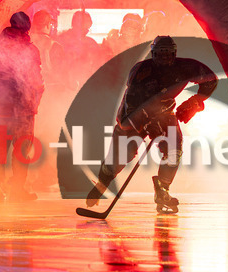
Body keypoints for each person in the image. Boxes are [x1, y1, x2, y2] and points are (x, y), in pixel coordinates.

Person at [85, 36, 218, 213]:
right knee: (121, 156)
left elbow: (211, 80)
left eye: (168, 54)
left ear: (174, 53)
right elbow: (129, 110)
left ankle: (163, 189)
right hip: (133, 115)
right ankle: (103, 182)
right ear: (153, 54)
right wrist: (146, 121)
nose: (164, 58)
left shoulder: (186, 67)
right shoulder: (141, 71)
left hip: (163, 113)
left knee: (174, 150)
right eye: (160, 54)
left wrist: (195, 102)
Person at [0, 11, 45, 201]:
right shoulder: (30, 50)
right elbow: (36, 80)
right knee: (21, 150)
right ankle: (17, 190)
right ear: (27, 27)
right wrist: (36, 98)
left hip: (2, 109)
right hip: (24, 109)